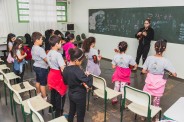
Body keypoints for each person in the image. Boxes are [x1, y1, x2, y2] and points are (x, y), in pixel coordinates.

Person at [142, 39, 177, 109]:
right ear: (165, 49)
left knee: (146, 99)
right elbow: (174, 74)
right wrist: (169, 73)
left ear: (154, 47)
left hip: (149, 83)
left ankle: (143, 115)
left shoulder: (149, 58)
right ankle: (155, 116)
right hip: (159, 85)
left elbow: (143, 71)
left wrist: (148, 72)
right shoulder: (166, 61)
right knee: (156, 102)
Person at [63, 48, 93, 122]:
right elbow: (89, 84)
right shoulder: (78, 71)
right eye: (81, 61)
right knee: (80, 114)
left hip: (71, 93)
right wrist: (89, 76)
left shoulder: (65, 69)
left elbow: (65, 82)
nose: (81, 62)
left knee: (72, 111)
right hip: (80, 95)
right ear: (76, 60)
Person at [47, 35, 67, 117]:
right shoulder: (58, 55)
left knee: (53, 93)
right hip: (58, 76)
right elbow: (63, 68)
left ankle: (51, 110)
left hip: (51, 74)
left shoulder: (49, 52)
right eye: (60, 43)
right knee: (60, 96)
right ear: (56, 44)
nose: (61, 44)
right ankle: (58, 116)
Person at [31, 32, 48, 100]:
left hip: (36, 66)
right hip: (42, 68)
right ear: (37, 40)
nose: (42, 40)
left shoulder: (33, 47)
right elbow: (46, 60)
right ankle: (44, 97)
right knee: (43, 83)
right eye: (41, 39)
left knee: (38, 81)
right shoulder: (40, 49)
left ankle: (38, 94)